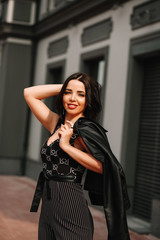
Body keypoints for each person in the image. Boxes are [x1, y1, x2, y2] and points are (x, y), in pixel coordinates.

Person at [24, 72, 130, 240]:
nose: (73, 98)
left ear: (88, 100)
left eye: (81, 94)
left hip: (70, 202)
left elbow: (104, 166)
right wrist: (68, 85)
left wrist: (66, 145)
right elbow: (30, 93)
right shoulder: (56, 123)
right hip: (48, 204)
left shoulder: (86, 129)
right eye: (68, 93)